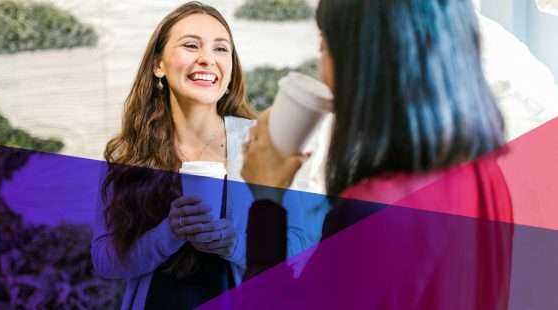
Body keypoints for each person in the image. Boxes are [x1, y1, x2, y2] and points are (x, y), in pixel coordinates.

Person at [240, 0, 514, 308]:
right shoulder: (484, 174)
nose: (324, 69)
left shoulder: (374, 212)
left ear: (364, 61)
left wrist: (267, 200)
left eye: (324, 45)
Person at [90, 2, 273, 309]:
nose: (206, 59)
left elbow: (300, 248)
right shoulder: (129, 154)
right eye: (191, 45)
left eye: (220, 49)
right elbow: (105, 261)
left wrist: (235, 244)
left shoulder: (260, 146)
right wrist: (168, 234)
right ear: (158, 64)